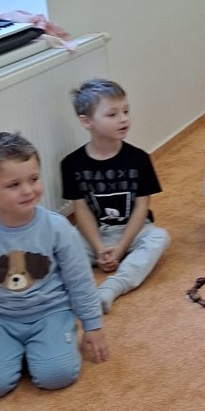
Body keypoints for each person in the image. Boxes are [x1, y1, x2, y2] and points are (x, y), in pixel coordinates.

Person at [0, 129, 107, 400]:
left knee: (56, 375)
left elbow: (80, 280)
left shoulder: (58, 228)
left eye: (33, 179)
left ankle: (45, 347)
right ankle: (17, 351)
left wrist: (92, 325)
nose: (28, 190)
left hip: (51, 313)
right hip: (0, 319)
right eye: (13, 185)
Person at [61, 79, 170, 314]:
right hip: (94, 234)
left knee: (159, 237)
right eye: (112, 114)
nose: (123, 119)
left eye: (126, 111)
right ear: (86, 121)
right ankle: (71, 293)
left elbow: (142, 207)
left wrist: (120, 249)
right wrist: (99, 247)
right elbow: (81, 210)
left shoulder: (139, 158)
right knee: (64, 240)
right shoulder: (71, 164)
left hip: (133, 231)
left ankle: (114, 286)